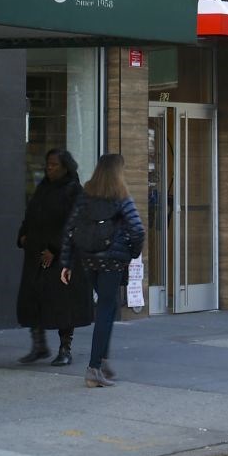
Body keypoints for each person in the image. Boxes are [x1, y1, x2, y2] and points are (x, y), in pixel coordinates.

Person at [60, 153, 144, 388]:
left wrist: (66, 263)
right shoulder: (121, 196)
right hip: (112, 261)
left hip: (88, 259)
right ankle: (94, 368)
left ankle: (102, 363)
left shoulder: (86, 195)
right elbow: (137, 230)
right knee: (107, 309)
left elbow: (70, 228)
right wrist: (131, 253)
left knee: (109, 305)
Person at [17, 148, 93, 367]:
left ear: (65, 167)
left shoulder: (73, 191)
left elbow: (74, 224)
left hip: (61, 259)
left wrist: (56, 249)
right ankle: (39, 345)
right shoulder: (43, 188)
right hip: (36, 254)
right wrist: (23, 235)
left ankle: (65, 348)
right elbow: (31, 215)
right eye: (48, 164)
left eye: (54, 165)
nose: (49, 168)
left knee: (62, 305)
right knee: (33, 300)